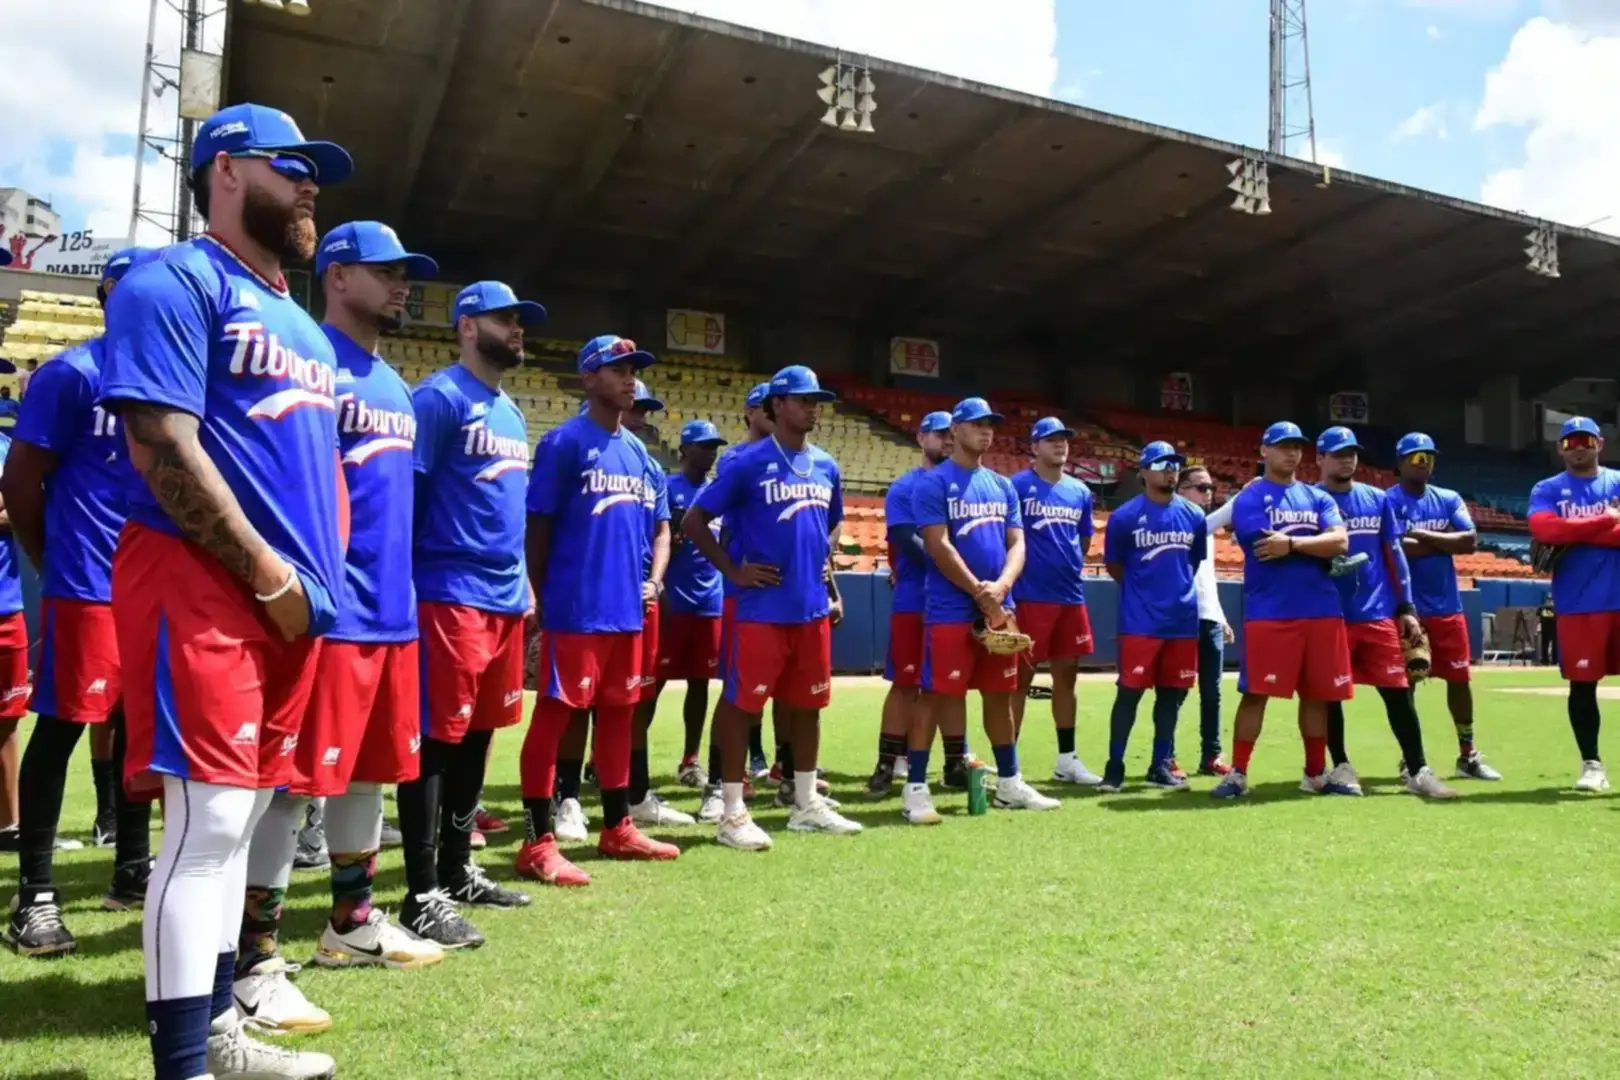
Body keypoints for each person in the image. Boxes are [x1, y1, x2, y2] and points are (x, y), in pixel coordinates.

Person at [99, 101, 349, 1080]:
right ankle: (185, 1064)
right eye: (292, 165)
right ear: (228, 170)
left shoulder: (305, 327)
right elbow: (159, 442)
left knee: (238, 822)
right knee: (203, 827)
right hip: (200, 579)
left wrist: (310, 585)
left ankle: (216, 1036)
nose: (310, 183)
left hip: (291, 605)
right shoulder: (175, 278)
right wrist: (267, 573)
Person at [227, 222, 446, 1040]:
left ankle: (350, 922)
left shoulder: (394, 384)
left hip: (393, 614)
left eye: (405, 272)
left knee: (367, 776)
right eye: (385, 271)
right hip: (330, 611)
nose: (401, 285)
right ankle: (253, 960)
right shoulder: (311, 362)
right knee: (291, 788)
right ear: (338, 274)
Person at [4, 246, 158, 960]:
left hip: (150, 585)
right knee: (65, 726)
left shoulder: (168, 378)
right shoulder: (72, 374)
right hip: (87, 582)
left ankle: (132, 868)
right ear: (106, 296)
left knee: (136, 730)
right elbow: (20, 482)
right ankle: (34, 895)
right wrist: (50, 559)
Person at [394, 280, 540, 942]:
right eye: (504, 318)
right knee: (436, 740)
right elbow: (409, 497)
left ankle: (457, 869)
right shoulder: (439, 399)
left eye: (519, 319)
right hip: (449, 592)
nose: (517, 328)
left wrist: (525, 582)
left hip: (503, 597)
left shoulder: (511, 411)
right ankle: (421, 891)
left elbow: (509, 511)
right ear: (466, 326)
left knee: (479, 735)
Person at [517, 335, 682, 886]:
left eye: (633, 369)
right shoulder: (563, 443)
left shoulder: (638, 455)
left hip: (625, 611)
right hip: (575, 609)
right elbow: (537, 526)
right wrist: (540, 593)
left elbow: (654, 531)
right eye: (617, 368)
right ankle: (537, 841)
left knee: (618, 714)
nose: (629, 377)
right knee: (555, 716)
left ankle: (617, 827)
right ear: (589, 378)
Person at [685, 364, 859, 848]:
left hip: (810, 609)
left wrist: (823, 565)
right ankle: (731, 811)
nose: (812, 408)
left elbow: (833, 522)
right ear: (777, 405)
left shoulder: (825, 464)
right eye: (802, 399)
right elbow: (695, 521)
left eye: (816, 400)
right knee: (742, 704)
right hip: (760, 609)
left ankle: (806, 803)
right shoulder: (746, 462)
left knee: (808, 705)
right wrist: (733, 570)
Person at [906, 396, 1059, 823]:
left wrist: (1003, 586)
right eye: (976, 424)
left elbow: (1018, 543)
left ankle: (1009, 782)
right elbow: (937, 544)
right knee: (936, 694)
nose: (985, 431)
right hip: (951, 608)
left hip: (998, 607)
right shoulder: (934, 483)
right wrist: (979, 591)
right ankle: (915, 788)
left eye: (990, 424)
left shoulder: (1002, 485)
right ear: (954, 430)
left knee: (1000, 695)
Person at [1211, 422, 1351, 799]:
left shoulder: (1316, 496)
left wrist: (1292, 544)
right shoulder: (1250, 497)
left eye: (1297, 447)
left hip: (1321, 608)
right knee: (1256, 693)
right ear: (1264, 451)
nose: (1291, 453)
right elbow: (1263, 545)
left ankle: (1315, 773)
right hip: (1271, 610)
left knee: (1317, 694)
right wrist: (1312, 543)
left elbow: (1340, 541)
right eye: (1283, 446)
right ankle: (1238, 773)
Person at [1315, 427, 1456, 798]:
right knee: (1331, 695)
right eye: (1337, 453)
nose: (1347, 459)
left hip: (1377, 613)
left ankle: (1418, 769)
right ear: (1320, 458)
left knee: (1399, 693)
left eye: (1351, 453)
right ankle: (1341, 765)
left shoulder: (1376, 499)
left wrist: (1406, 606)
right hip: (1329, 614)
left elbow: (1395, 554)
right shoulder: (1310, 500)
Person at [1386, 432, 1501, 781]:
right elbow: (1396, 547)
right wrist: (1442, 541)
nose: (1424, 463)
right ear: (1400, 462)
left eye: (1429, 457)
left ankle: (1467, 755)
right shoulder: (1388, 500)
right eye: (1416, 458)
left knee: (1460, 680)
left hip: (1447, 607)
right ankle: (1411, 758)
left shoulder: (1448, 497)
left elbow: (1469, 541)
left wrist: (1423, 536)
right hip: (1407, 609)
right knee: (1406, 685)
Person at [1098, 441, 1205, 792]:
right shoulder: (1125, 516)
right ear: (1143, 472)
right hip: (1140, 622)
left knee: (1171, 697)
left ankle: (1160, 764)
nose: (1169, 471)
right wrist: (1143, 594)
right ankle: (1114, 766)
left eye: (1174, 465)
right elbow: (1114, 565)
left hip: (1182, 621)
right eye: (1160, 465)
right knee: (1129, 693)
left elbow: (1193, 563)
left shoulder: (1194, 515)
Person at [694, 382, 776, 824]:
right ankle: (716, 783)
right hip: (743, 596)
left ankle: (775, 769)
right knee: (735, 690)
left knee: (778, 692)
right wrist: (733, 570)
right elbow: (707, 523)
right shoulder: (737, 460)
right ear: (750, 412)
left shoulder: (796, 460)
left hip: (781, 597)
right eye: (764, 407)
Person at [1527, 415, 1620, 791]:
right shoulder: (1547, 488)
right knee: (1582, 686)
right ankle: (1592, 764)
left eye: (1586, 441)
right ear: (1560, 448)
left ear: (1600, 444)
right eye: (1570, 442)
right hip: (1578, 603)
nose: (1578, 448)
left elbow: (1559, 530)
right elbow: (1543, 529)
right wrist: (1605, 521)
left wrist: (1576, 533)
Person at [1009, 416, 1102, 785]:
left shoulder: (1080, 491)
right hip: (1029, 596)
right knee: (1019, 680)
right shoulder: (1016, 486)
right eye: (1051, 439)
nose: (1060, 444)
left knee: (1067, 678)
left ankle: (1067, 760)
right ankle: (1009, 764)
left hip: (1069, 596)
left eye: (1063, 438)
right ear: (1034, 446)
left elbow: (1083, 540)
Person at [868, 410, 955, 797]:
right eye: (940, 433)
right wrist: (961, 568)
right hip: (915, 600)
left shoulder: (966, 486)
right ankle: (886, 764)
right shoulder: (905, 487)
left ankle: (954, 762)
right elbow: (909, 540)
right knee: (905, 684)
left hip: (956, 601)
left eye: (953, 433)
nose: (948, 439)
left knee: (950, 685)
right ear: (922, 438)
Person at [624, 379, 691, 827]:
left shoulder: (650, 469)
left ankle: (635, 794)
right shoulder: (574, 446)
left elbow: (662, 531)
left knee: (636, 699)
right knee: (574, 705)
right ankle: (564, 797)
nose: (641, 417)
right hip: (591, 600)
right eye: (636, 408)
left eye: (645, 410)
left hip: (642, 600)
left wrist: (655, 579)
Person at [649, 420, 728, 788]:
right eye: (703, 446)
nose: (711, 453)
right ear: (684, 449)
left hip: (709, 602)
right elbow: (654, 541)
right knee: (652, 684)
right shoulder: (668, 488)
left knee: (700, 684)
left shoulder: (718, 493)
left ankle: (690, 760)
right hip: (671, 603)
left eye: (714, 447)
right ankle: (622, 759)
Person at [1177, 465, 1232, 775]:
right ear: (1181, 490)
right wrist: (1250, 492)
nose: (1208, 493)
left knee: (1213, 692)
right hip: (1183, 617)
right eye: (1201, 487)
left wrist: (1221, 616)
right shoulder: (1181, 523)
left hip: (1209, 617)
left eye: (1210, 487)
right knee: (1176, 689)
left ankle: (1212, 756)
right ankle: (1165, 755)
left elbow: (1207, 580)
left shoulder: (1206, 530)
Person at [1539, 592, 1557, 666]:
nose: (1549, 601)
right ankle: (1546, 660)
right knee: (1545, 645)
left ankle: (1553, 661)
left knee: (1554, 645)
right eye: (1548, 599)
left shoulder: (1555, 608)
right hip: (1546, 630)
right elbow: (1538, 617)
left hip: (1553, 629)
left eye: (1550, 599)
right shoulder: (1542, 608)